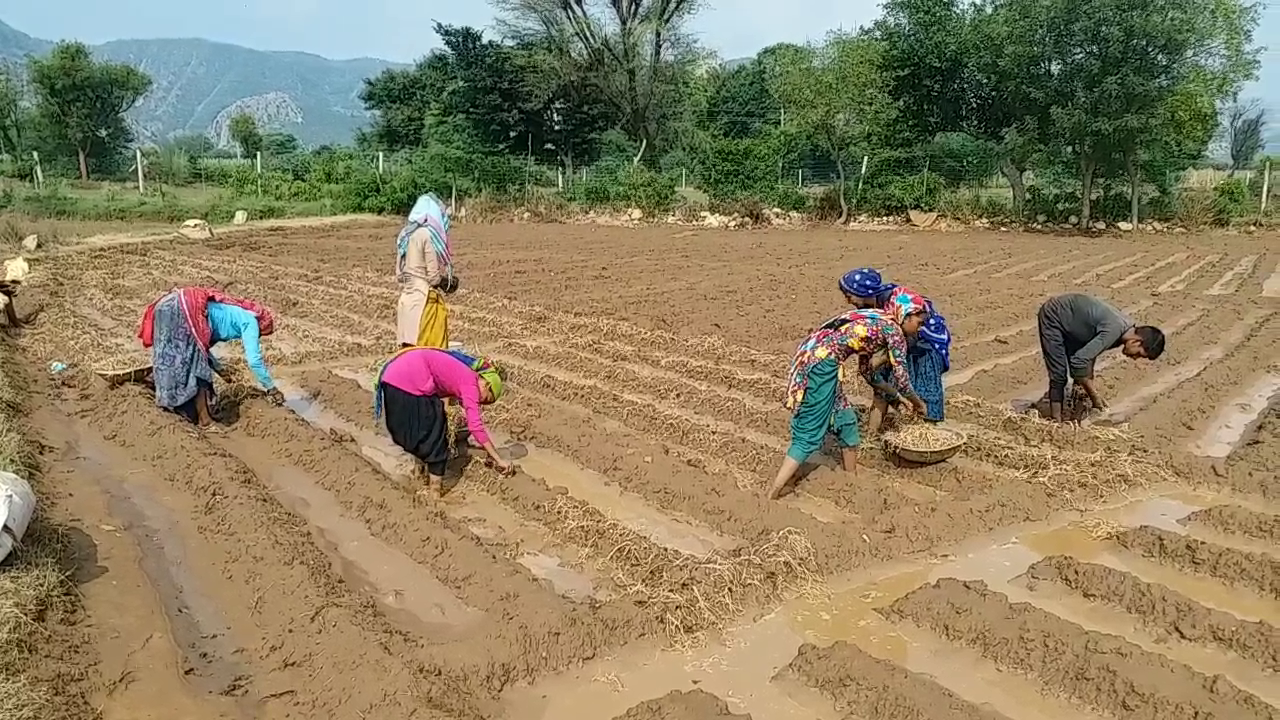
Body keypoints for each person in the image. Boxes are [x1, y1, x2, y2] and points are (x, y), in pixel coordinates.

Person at [768, 290, 931, 500]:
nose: (920, 328)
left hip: (822, 361)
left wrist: (897, 398)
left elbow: (867, 373)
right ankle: (773, 493)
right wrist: (918, 404)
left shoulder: (879, 319)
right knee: (809, 433)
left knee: (846, 420)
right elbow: (902, 379)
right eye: (919, 322)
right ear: (906, 315)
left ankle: (850, 479)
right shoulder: (894, 332)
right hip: (820, 366)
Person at [373, 346, 513, 495]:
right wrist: (498, 458)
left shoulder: (462, 372)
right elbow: (475, 426)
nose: (481, 402)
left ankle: (418, 473)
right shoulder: (471, 381)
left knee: (421, 430)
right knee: (436, 438)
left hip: (392, 378)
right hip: (410, 380)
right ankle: (435, 495)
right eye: (485, 399)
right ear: (487, 385)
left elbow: (444, 386)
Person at [138, 286, 282, 430]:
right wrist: (271, 387)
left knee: (171, 357)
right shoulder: (251, 323)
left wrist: (220, 369)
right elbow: (254, 361)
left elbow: (203, 344)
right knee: (199, 369)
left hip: (167, 305)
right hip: (185, 310)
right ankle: (205, 421)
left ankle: (153, 385)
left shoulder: (235, 313)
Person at [840, 268, 951, 428]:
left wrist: (880, 360)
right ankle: (871, 438)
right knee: (882, 390)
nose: (848, 301)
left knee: (924, 391)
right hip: (898, 344)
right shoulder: (869, 308)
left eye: (849, 296)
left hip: (923, 346)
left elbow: (909, 338)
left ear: (863, 293)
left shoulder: (898, 306)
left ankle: (926, 437)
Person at [1036, 293, 1165, 422]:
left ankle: (1073, 415)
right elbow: (1078, 361)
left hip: (1076, 324)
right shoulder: (1114, 331)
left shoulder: (1124, 330)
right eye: (1138, 354)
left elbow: (1090, 353)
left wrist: (1086, 382)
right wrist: (1094, 395)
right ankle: (1055, 421)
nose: (1135, 358)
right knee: (1059, 375)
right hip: (1054, 316)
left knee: (1081, 378)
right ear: (1136, 342)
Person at [396, 193, 459, 349]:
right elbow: (433, 278)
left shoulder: (405, 235)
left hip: (406, 302)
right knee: (432, 349)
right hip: (422, 303)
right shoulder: (426, 235)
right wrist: (447, 283)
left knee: (408, 353)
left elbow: (399, 274)